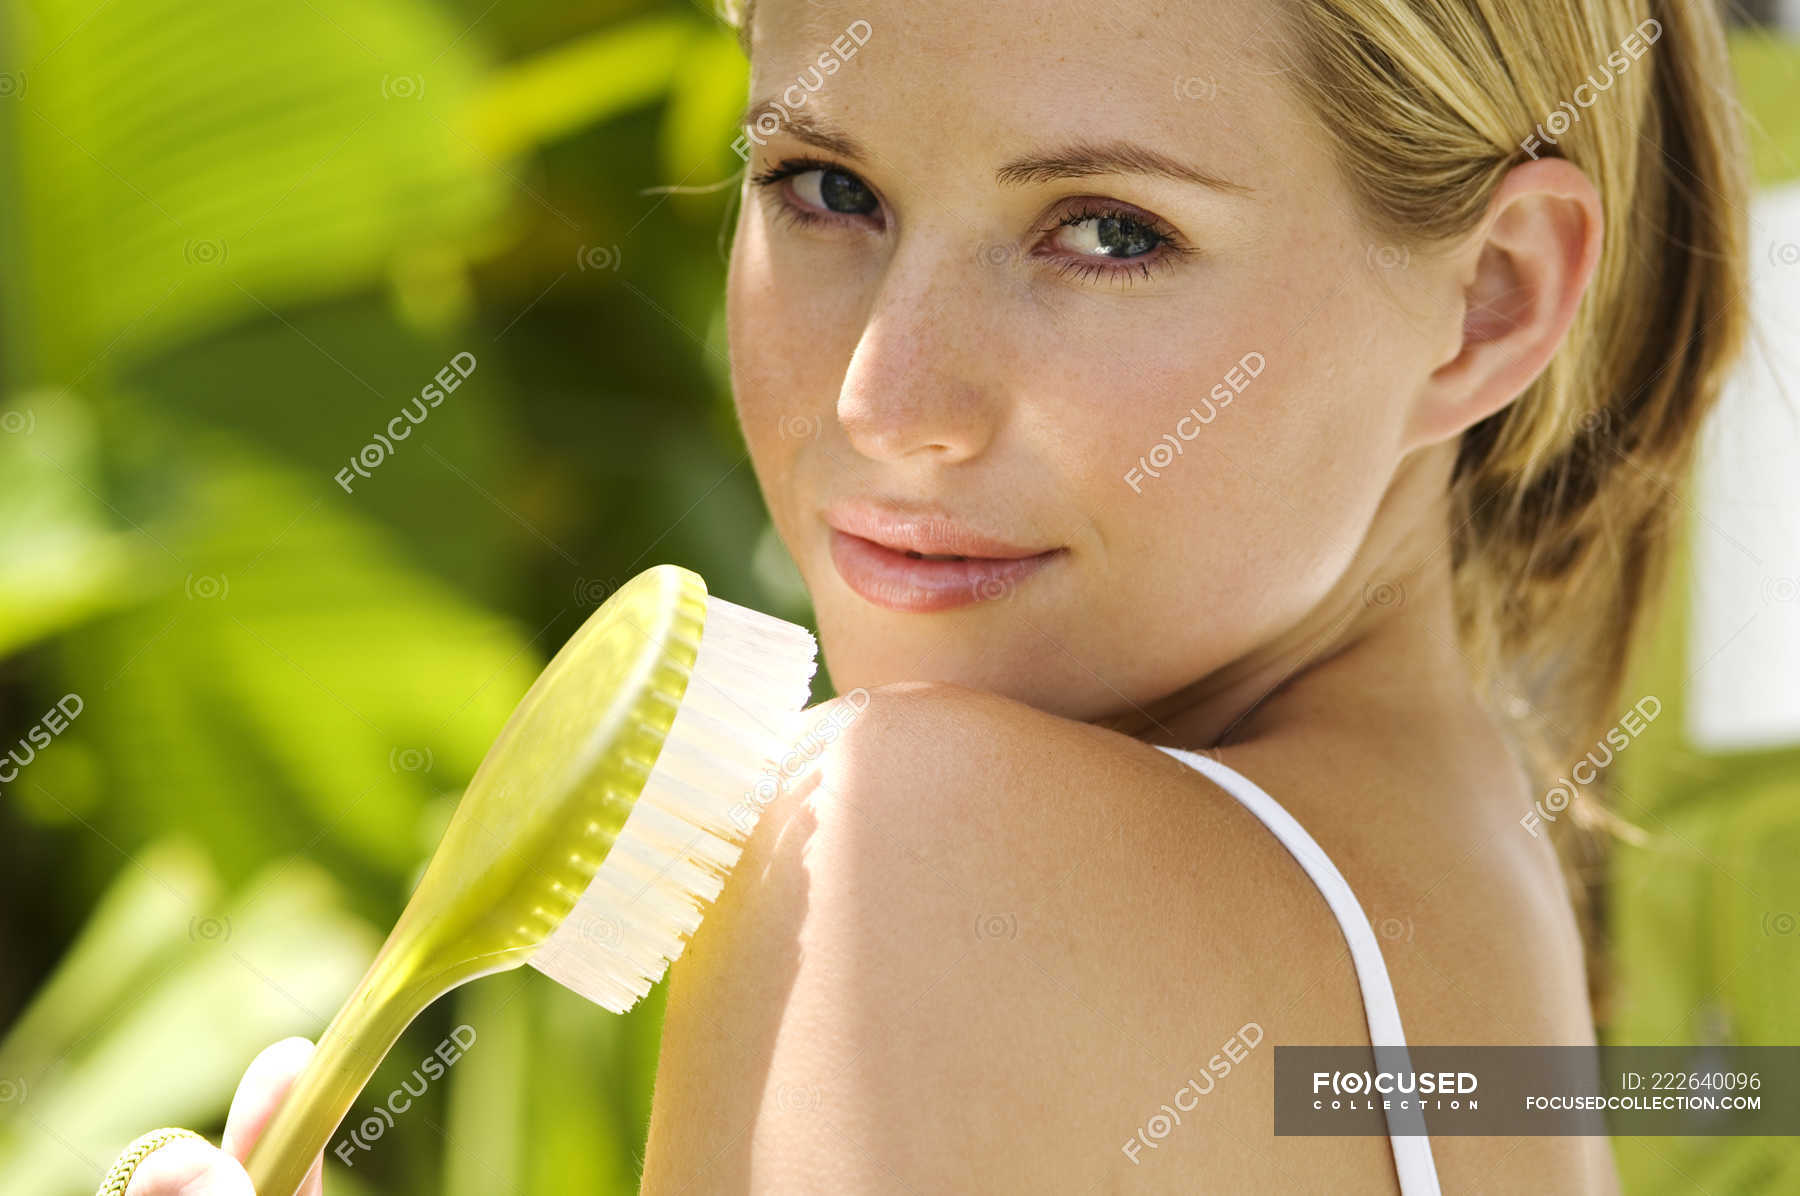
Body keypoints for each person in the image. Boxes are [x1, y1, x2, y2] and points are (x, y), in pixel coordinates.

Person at [120, 0, 1750, 1190]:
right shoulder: (1472, 919)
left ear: (1489, 300)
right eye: (828, 188)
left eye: (1107, 230)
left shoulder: (920, 843)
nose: (888, 398)